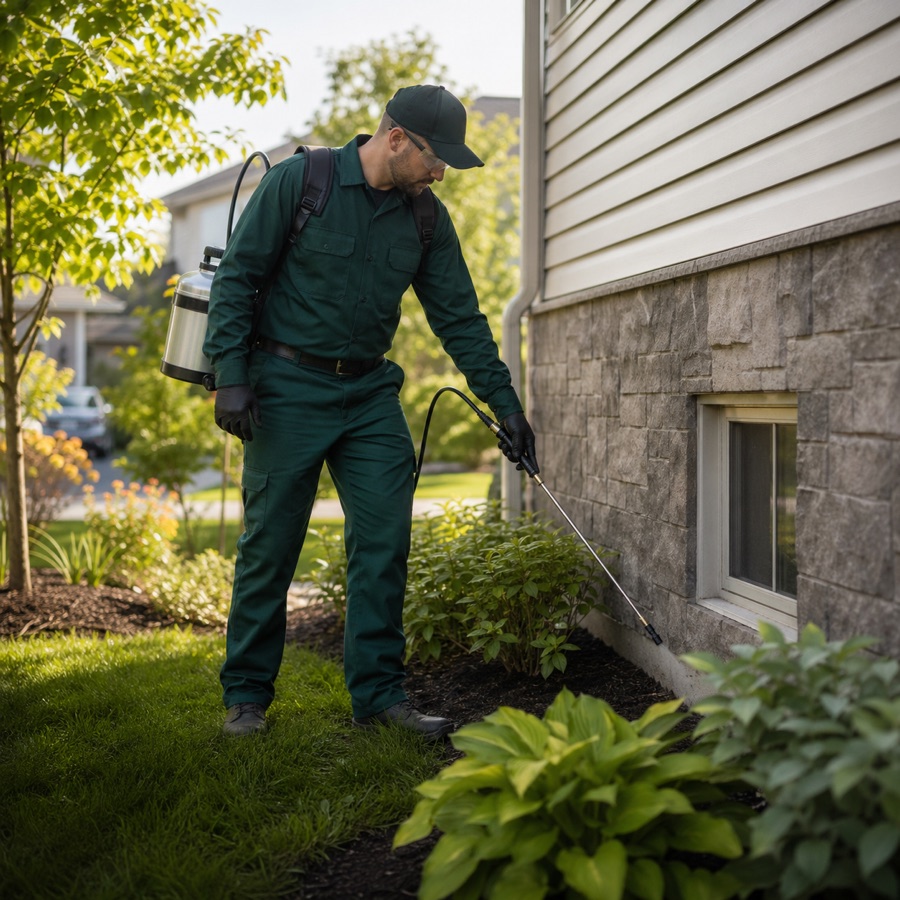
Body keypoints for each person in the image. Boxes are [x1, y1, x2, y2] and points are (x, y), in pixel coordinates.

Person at [204, 84, 539, 740]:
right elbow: (237, 277)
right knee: (270, 547)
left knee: (385, 542)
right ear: (395, 140)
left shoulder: (425, 219)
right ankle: (246, 698)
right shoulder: (302, 183)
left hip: (368, 398)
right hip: (285, 389)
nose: (441, 171)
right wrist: (231, 377)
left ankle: (380, 698)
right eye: (435, 157)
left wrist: (508, 407)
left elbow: (461, 320)